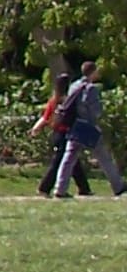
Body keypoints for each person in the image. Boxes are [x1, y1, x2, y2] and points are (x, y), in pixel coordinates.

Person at [50, 62, 127, 200]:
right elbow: (93, 110)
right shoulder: (91, 88)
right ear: (93, 72)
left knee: (69, 158)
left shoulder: (74, 85)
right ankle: (119, 186)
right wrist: (95, 120)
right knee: (104, 157)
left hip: (75, 126)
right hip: (87, 127)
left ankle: (60, 189)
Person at [34, 69, 94, 197]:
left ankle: (84, 188)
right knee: (61, 161)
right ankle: (44, 188)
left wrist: (36, 128)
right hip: (67, 133)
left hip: (58, 133)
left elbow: (45, 117)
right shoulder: (70, 100)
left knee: (73, 161)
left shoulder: (54, 100)